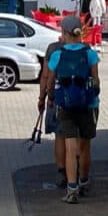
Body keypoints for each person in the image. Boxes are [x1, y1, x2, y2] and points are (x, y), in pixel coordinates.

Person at [42, 14, 100, 204]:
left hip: (65, 105)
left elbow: (50, 81)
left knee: (70, 146)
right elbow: (96, 79)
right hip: (88, 105)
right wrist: (93, 96)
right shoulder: (89, 52)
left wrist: (50, 99)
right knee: (85, 147)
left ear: (64, 32)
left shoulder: (58, 54)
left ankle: (71, 189)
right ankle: (84, 182)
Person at [38, 40, 66, 185]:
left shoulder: (54, 48)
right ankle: (80, 176)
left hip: (59, 100)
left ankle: (62, 173)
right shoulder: (87, 49)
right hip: (81, 102)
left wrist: (43, 98)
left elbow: (46, 76)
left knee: (60, 136)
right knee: (78, 139)